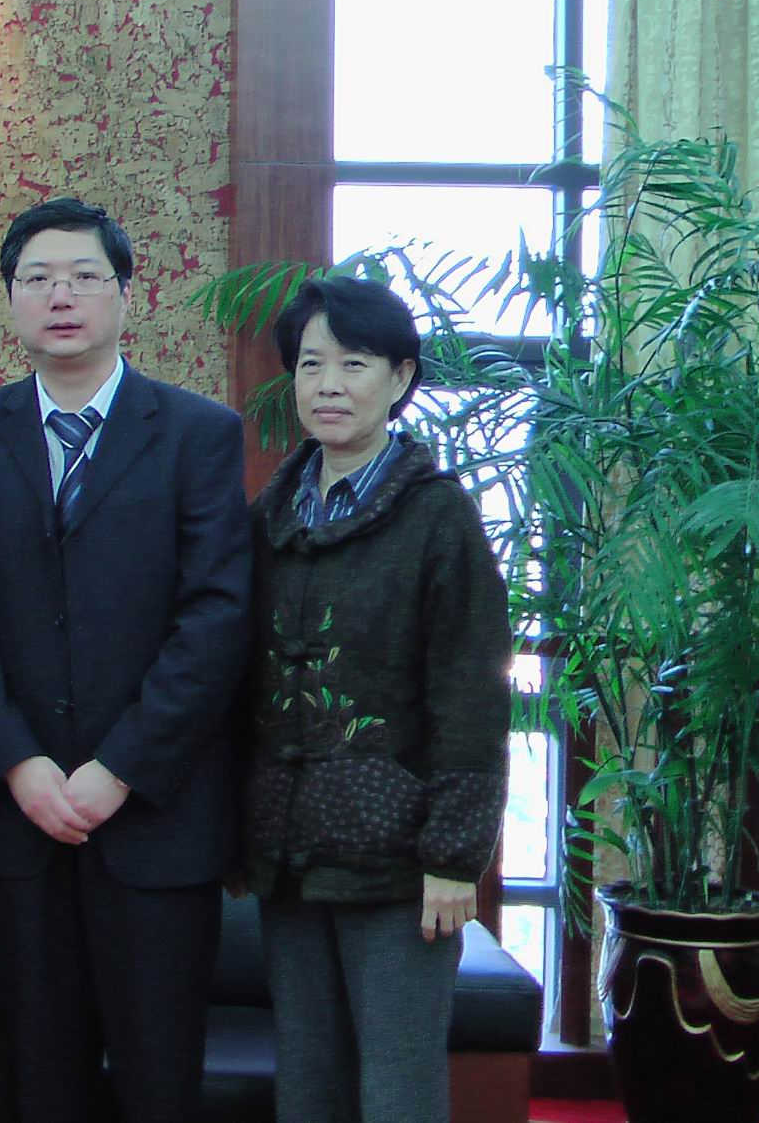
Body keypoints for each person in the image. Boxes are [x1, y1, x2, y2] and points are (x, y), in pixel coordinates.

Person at [0, 196, 252, 1123]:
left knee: (158, 1079)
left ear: (124, 296)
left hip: (155, 817)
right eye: (37, 279)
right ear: (10, 300)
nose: (60, 296)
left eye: (82, 277)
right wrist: (20, 763)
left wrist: (120, 768)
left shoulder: (197, 433)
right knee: (40, 1075)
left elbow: (215, 618)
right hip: (20, 819)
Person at [245, 275, 510, 1123]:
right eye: (310, 364)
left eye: (354, 364)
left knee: (397, 1088)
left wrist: (454, 857)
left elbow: (473, 694)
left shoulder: (438, 518)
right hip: (292, 855)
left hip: (400, 863)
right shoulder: (270, 517)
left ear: (399, 379)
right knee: (307, 1080)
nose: (328, 385)